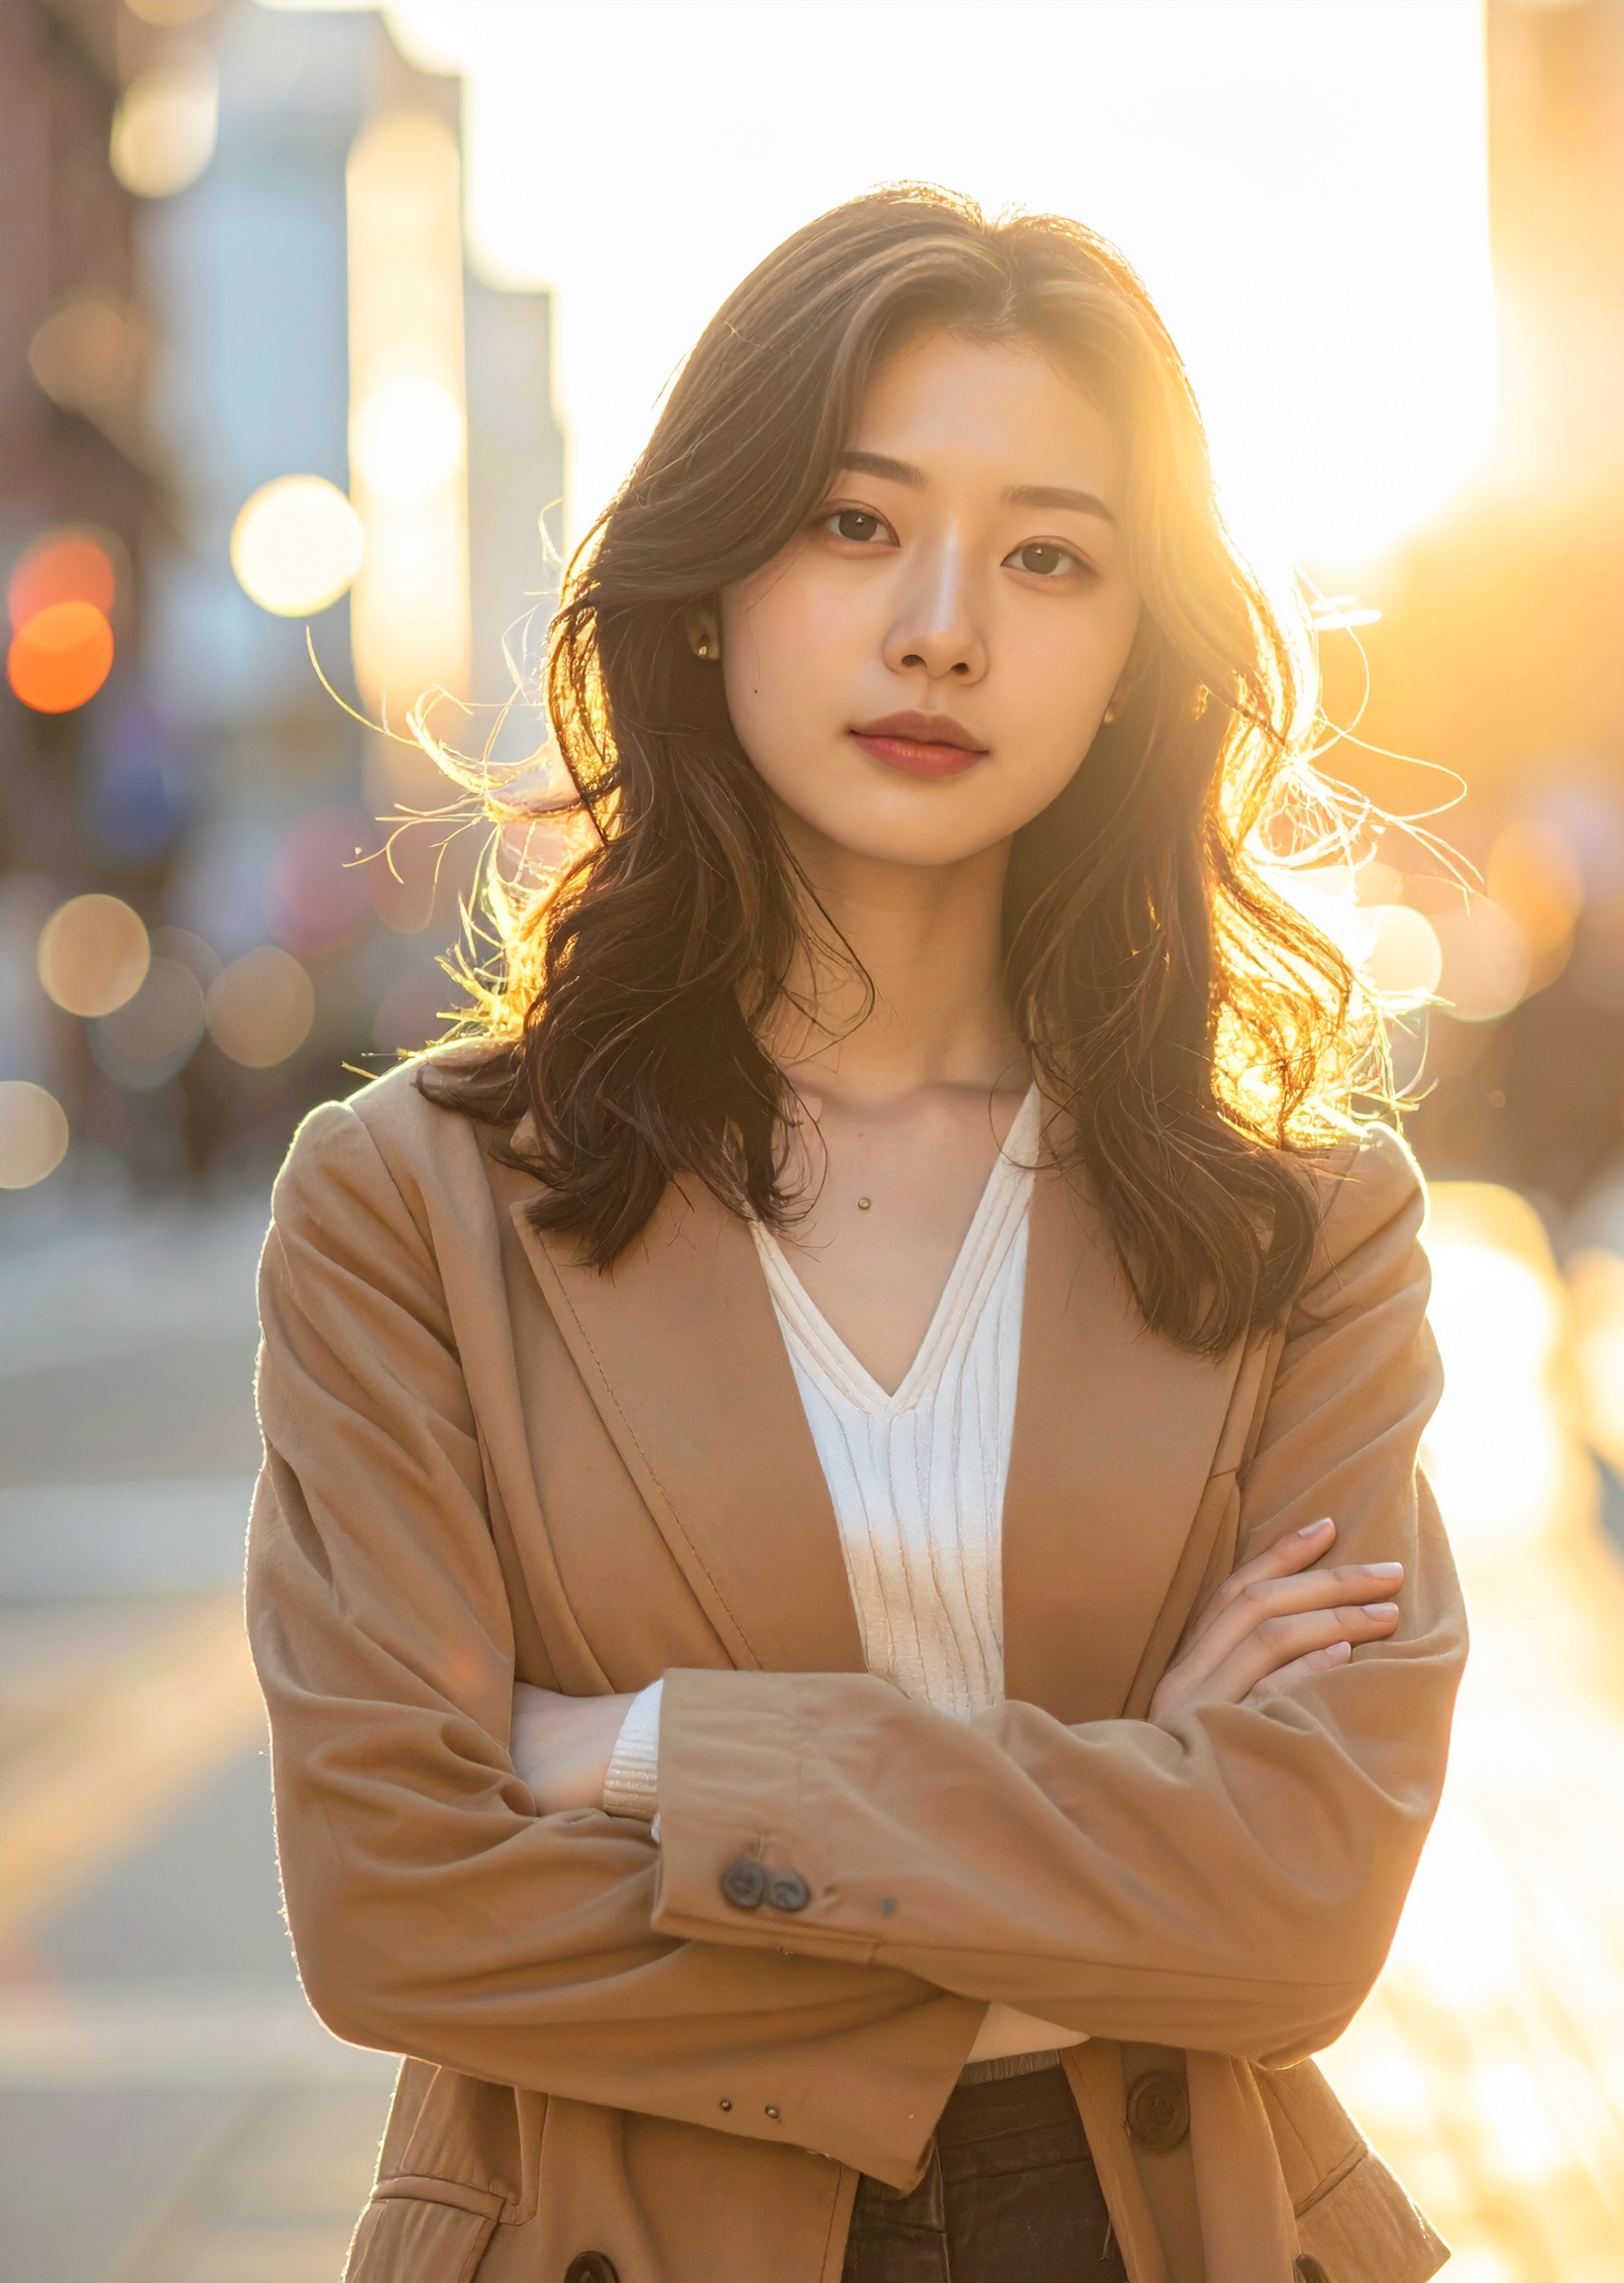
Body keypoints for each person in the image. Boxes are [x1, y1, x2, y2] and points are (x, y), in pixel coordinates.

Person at [248, 187, 1465, 2283]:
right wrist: (1129, 1813)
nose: (942, 628)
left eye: (1049, 556)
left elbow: (1294, 1913)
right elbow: (398, 1907)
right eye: (851, 522)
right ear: (707, 589)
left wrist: (649, 1752)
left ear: (1133, 659)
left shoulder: (1306, 1227)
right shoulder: (407, 1208)